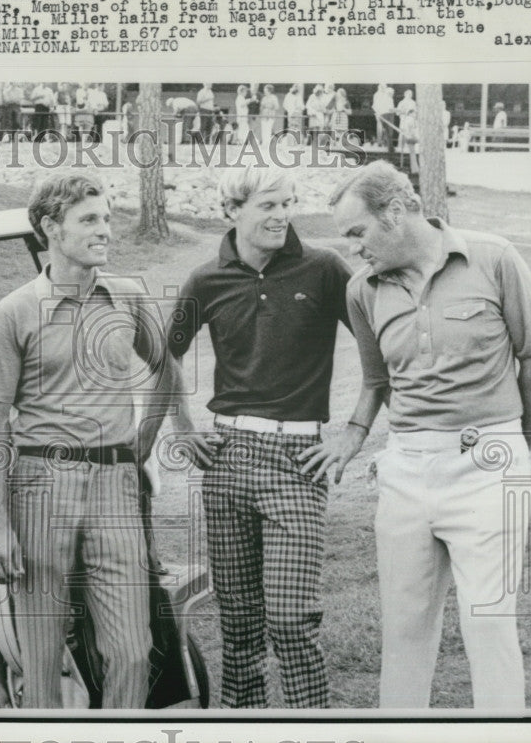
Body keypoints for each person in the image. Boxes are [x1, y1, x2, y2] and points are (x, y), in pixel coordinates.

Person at [321, 160, 531, 710]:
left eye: (358, 232)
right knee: (404, 627)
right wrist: (355, 432)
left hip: (488, 465)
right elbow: (377, 378)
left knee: (488, 621)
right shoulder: (362, 290)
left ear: (396, 213)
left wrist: (515, 448)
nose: (354, 248)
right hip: (406, 470)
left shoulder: (492, 257)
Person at [0, 173, 179, 708]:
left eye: (107, 218)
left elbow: (165, 370)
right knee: (43, 657)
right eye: (90, 220)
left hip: (115, 484)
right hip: (41, 485)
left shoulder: (128, 296)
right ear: (51, 228)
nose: (105, 230)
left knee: (133, 650)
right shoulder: (15, 310)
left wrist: (144, 440)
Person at [166, 165, 356, 708]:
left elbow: (378, 349)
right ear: (232, 211)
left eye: (288, 203)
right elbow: (164, 355)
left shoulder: (323, 268)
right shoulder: (206, 279)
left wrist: (352, 434)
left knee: (292, 620)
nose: (282, 215)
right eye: (268, 206)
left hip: (299, 459)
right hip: (227, 459)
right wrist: (182, 425)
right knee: (241, 626)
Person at [372, 83, 396, 151]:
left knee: (387, 129)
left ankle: (386, 144)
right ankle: (380, 143)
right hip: (381, 113)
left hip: (387, 113)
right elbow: (375, 105)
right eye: (382, 87)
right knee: (381, 128)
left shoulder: (386, 95)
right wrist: (377, 113)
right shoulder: (377, 95)